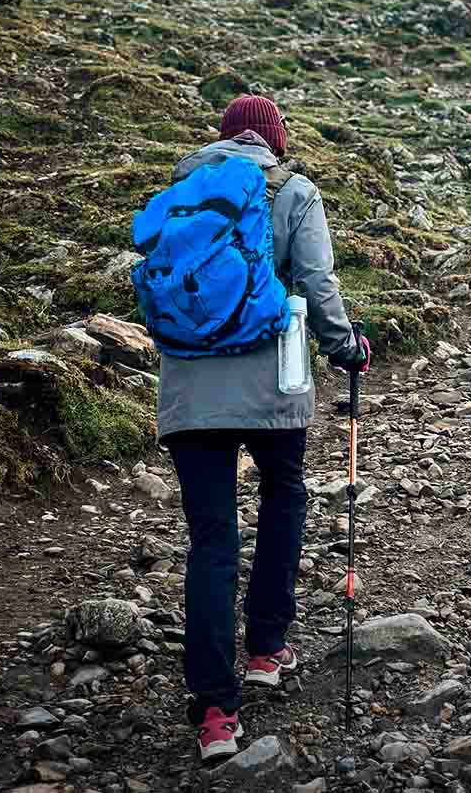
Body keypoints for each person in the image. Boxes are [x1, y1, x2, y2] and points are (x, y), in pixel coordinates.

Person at [147, 95, 369, 762]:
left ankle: (215, 712)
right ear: (274, 142)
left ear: (221, 140)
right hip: (274, 381)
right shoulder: (293, 190)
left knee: (212, 540)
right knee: (283, 496)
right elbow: (317, 280)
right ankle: (267, 649)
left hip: (190, 390)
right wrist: (346, 344)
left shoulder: (182, 193)